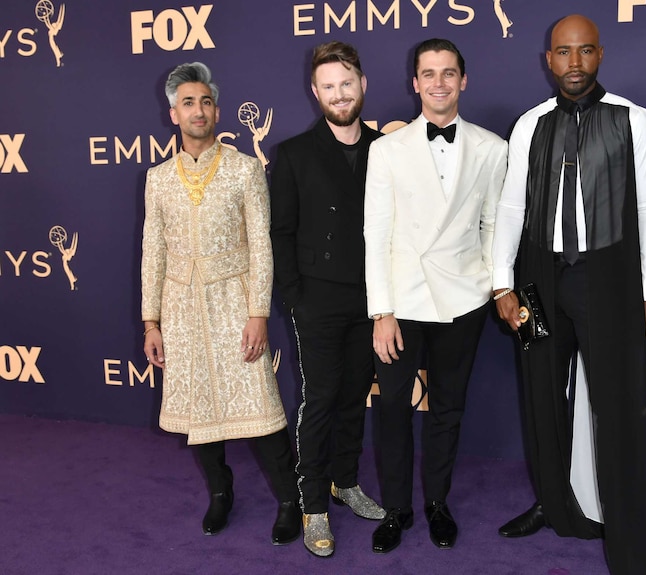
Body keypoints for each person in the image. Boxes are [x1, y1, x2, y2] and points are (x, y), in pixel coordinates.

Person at [491, 15, 646, 575]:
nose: (574, 62)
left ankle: (633, 539)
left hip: (609, 280)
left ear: (599, 55)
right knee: (542, 395)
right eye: (563, 52)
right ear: (549, 60)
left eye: (584, 51)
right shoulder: (530, 125)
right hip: (539, 281)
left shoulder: (632, 120)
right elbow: (512, 208)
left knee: (618, 407)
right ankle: (556, 506)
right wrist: (501, 280)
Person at [141, 62, 301, 546]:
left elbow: (262, 247)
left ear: (216, 110)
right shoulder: (157, 178)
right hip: (181, 309)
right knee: (199, 412)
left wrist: (258, 314)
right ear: (173, 114)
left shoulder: (245, 169)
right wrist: (151, 321)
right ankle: (220, 493)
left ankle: (290, 500)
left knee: (261, 410)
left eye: (205, 101)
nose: (198, 110)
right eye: (188, 102)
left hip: (235, 302)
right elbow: (153, 249)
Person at [364, 38, 507, 554]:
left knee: (448, 408)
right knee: (394, 412)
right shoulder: (385, 150)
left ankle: (437, 503)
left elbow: (494, 222)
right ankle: (398, 508)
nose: (439, 83)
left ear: (463, 81)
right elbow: (375, 235)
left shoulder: (493, 149)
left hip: (462, 300)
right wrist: (381, 311)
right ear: (415, 82)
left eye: (449, 73)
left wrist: (491, 280)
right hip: (401, 304)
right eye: (429, 74)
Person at [270, 41, 385, 558]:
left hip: (373, 298)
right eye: (328, 87)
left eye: (347, 83)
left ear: (362, 84)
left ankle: (346, 481)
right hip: (316, 299)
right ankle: (314, 501)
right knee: (320, 400)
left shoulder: (387, 149)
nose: (339, 94)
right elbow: (281, 232)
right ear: (315, 93)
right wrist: (295, 298)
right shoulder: (293, 153)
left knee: (354, 395)